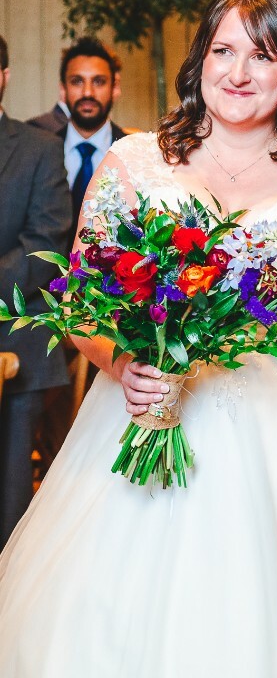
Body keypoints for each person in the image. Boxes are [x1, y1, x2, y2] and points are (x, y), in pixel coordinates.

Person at [0, 0, 277, 677]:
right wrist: (123, 365)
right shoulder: (135, 162)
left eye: (262, 56)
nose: (238, 73)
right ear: (199, 61)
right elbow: (80, 300)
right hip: (149, 411)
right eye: (223, 51)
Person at [0, 35, 72, 549]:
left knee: (9, 511)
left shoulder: (39, 151)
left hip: (14, 337)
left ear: (3, 75)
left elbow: (44, 245)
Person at [30, 37, 127, 238]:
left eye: (98, 82)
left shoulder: (132, 155)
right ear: (63, 90)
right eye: (77, 81)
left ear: (114, 88)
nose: (87, 92)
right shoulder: (36, 152)